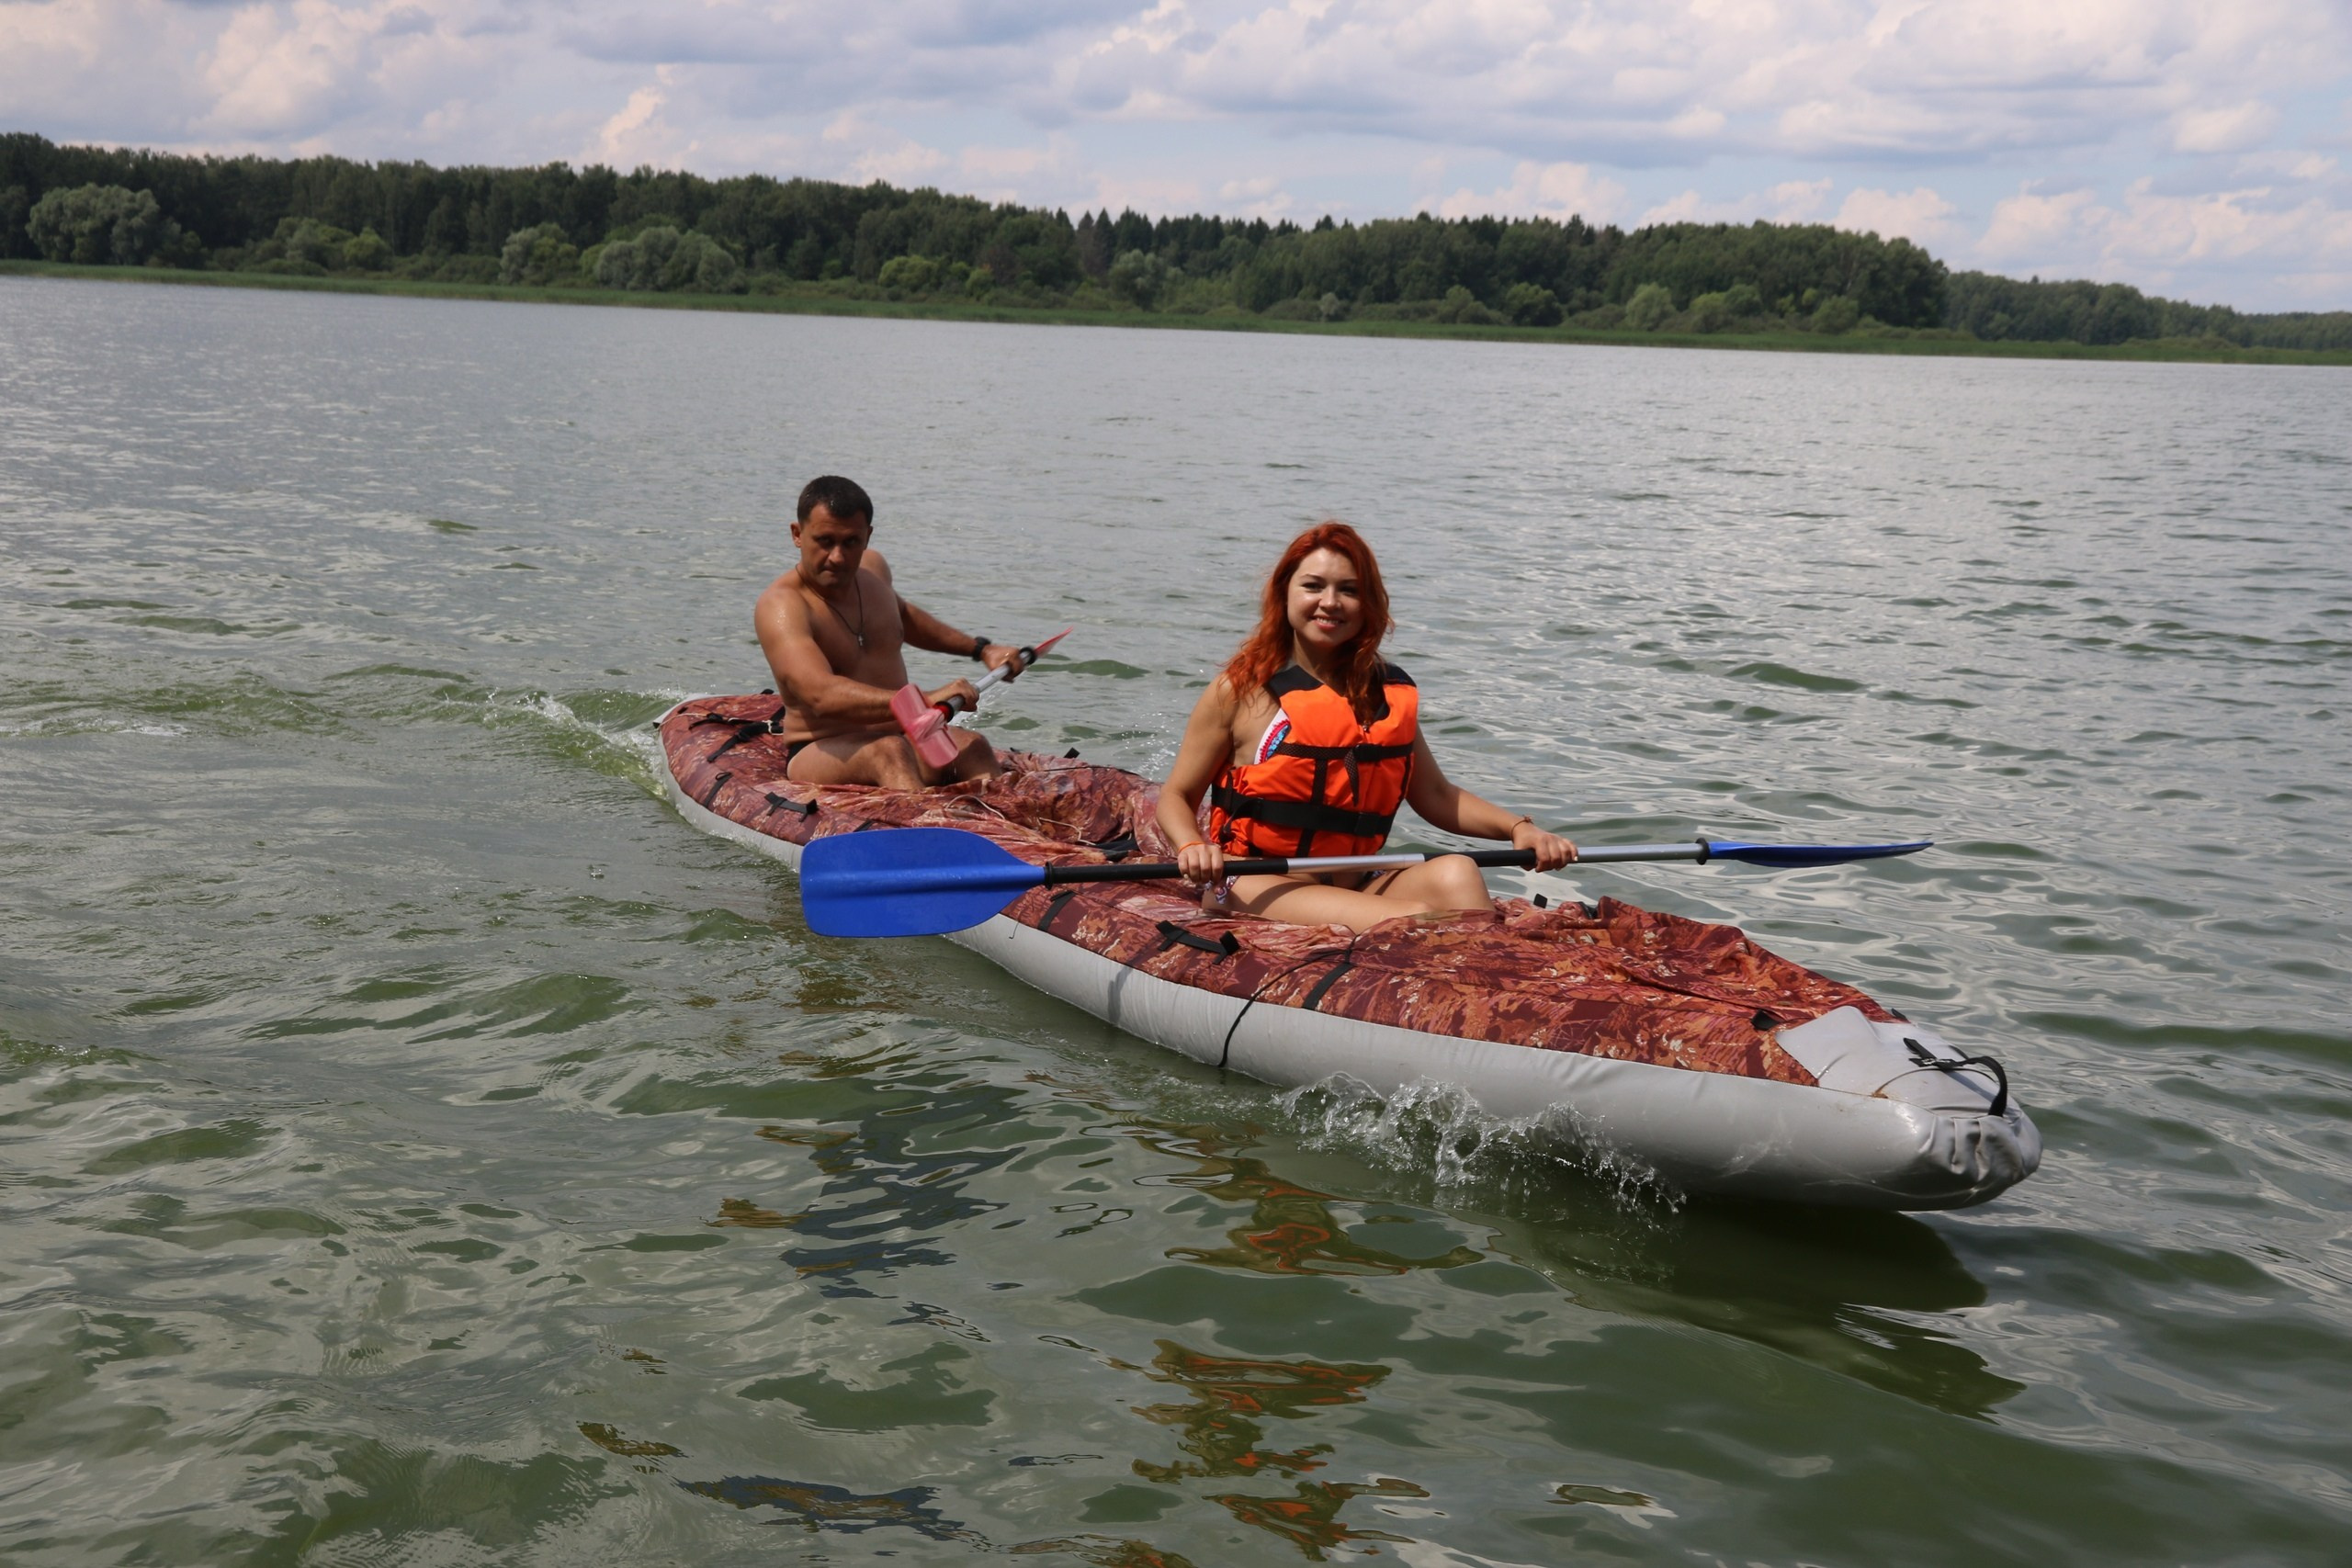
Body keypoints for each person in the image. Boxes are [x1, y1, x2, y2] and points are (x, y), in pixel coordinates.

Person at [1154, 521, 1576, 931]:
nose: (1330, 602)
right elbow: (1177, 795)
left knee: (1458, 873)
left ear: (1369, 603)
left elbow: (1435, 795)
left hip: (1357, 880)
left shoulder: (1384, 693)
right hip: (1253, 882)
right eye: (1313, 585)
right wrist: (1192, 845)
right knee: (1415, 921)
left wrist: (1521, 830)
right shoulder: (1240, 690)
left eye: (1349, 590)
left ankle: (1488, 981)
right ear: (1284, 593)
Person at [755, 475, 1029, 787]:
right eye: (825, 541)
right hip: (822, 749)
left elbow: (903, 618)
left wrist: (982, 649)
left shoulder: (873, 573)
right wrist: (924, 700)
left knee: (973, 746)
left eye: (851, 542)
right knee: (888, 752)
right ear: (797, 534)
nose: (838, 557)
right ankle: (923, 830)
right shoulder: (782, 606)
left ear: (867, 536)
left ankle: (1006, 828)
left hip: (903, 736)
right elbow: (821, 695)